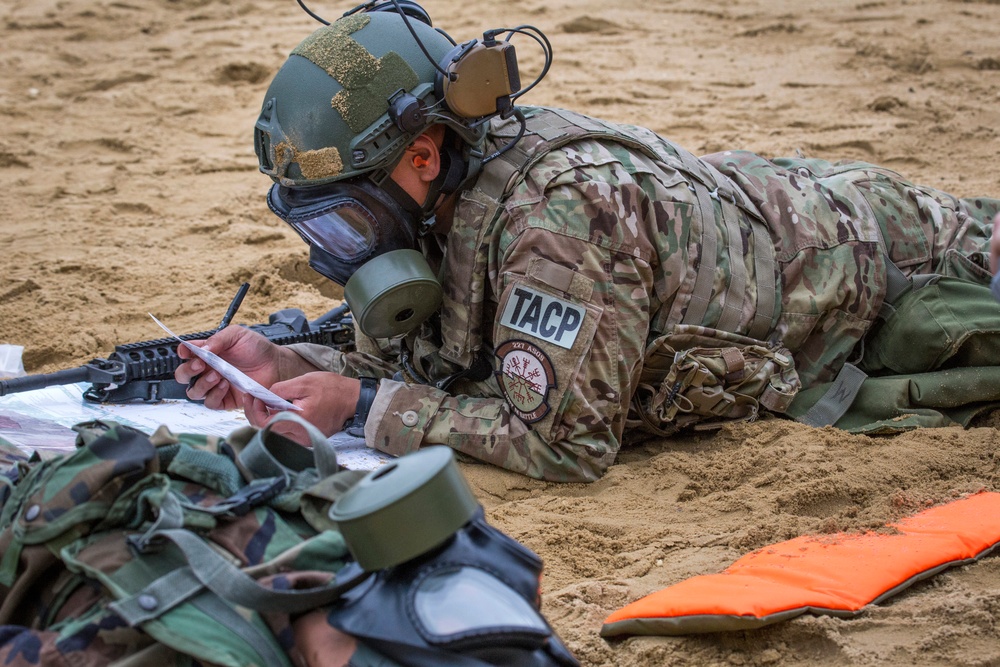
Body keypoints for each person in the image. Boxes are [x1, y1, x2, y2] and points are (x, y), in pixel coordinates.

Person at [176, 2, 1000, 483]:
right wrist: (293, 369)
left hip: (872, 251)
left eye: (345, 220)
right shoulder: (436, 199)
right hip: (757, 214)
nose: (334, 251)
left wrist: (362, 408)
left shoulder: (560, 224)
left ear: (424, 154)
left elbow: (568, 440)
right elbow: (438, 368)